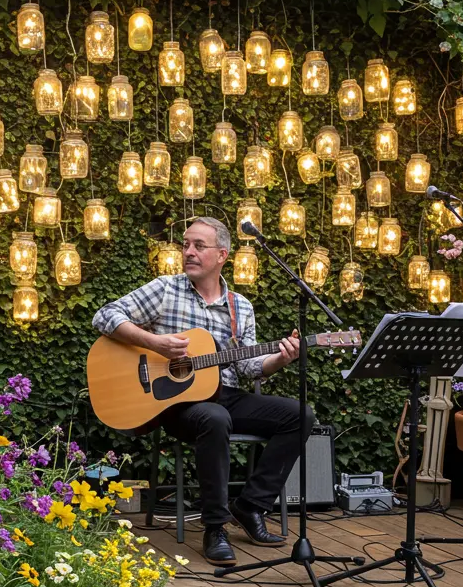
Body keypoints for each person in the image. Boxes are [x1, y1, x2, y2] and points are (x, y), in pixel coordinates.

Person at [91, 217, 316, 563]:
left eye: (199, 245)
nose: (189, 252)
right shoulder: (165, 289)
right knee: (215, 417)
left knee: (300, 414)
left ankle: (250, 506)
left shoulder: (240, 307)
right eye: (186, 245)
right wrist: (156, 343)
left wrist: (281, 360)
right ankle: (215, 526)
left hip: (223, 394)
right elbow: (105, 315)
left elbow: (248, 366)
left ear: (222, 254)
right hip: (175, 404)